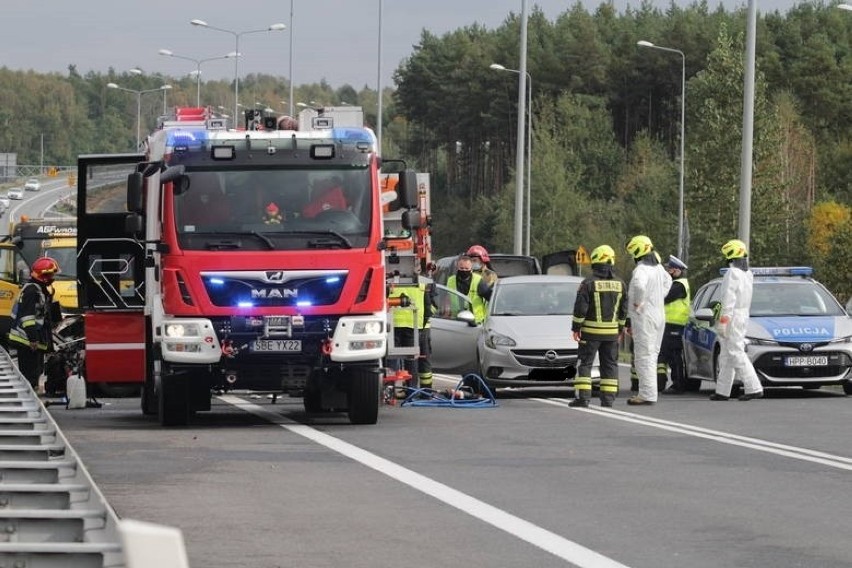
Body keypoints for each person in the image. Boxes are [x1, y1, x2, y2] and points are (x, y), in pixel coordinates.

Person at [569, 245, 627, 408]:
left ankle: (583, 398)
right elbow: (624, 310)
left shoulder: (588, 283)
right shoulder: (620, 284)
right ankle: (608, 399)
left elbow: (581, 308)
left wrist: (576, 327)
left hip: (590, 333)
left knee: (585, 364)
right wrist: (621, 329)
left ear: (595, 261)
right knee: (609, 365)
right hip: (611, 335)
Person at [710, 239, 764, 401]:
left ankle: (753, 387)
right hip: (742, 314)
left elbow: (728, 297)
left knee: (735, 351)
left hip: (732, 315)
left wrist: (724, 319)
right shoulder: (748, 274)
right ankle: (723, 390)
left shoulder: (732, 273)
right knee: (727, 354)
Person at [625, 235, 671, 405]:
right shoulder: (659, 269)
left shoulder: (641, 270)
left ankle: (647, 394)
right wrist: (659, 296)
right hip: (659, 315)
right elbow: (668, 281)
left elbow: (638, 285)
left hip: (645, 317)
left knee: (643, 356)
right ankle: (649, 392)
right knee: (652, 354)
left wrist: (638, 302)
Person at [8, 257, 60, 390]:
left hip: (30, 339)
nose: (53, 277)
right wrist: (33, 339)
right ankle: (32, 398)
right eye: (51, 274)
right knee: (29, 375)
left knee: (35, 373)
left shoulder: (37, 288)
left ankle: (34, 391)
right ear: (44, 275)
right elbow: (28, 318)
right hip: (27, 340)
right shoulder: (32, 291)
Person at [388, 279, 436, 396]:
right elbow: (429, 304)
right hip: (413, 324)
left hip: (392, 322)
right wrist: (424, 323)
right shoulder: (423, 281)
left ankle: (388, 390)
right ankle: (412, 390)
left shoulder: (388, 278)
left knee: (390, 358)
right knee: (411, 359)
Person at [658, 255, 691, 394]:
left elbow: (663, 298)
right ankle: (663, 383)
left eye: (670, 270)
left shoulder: (679, 285)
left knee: (674, 355)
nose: (667, 272)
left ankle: (678, 384)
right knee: (665, 354)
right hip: (669, 324)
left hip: (675, 324)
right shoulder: (675, 283)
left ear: (677, 271)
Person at [445, 255, 492, 324]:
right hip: (456, 321)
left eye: (467, 269)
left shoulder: (478, 280)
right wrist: (446, 313)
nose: (464, 270)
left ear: (471, 269)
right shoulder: (450, 280)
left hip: (476, 322)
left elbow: (490, 298)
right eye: (462, 268)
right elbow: (448, 298)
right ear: (457, 267)